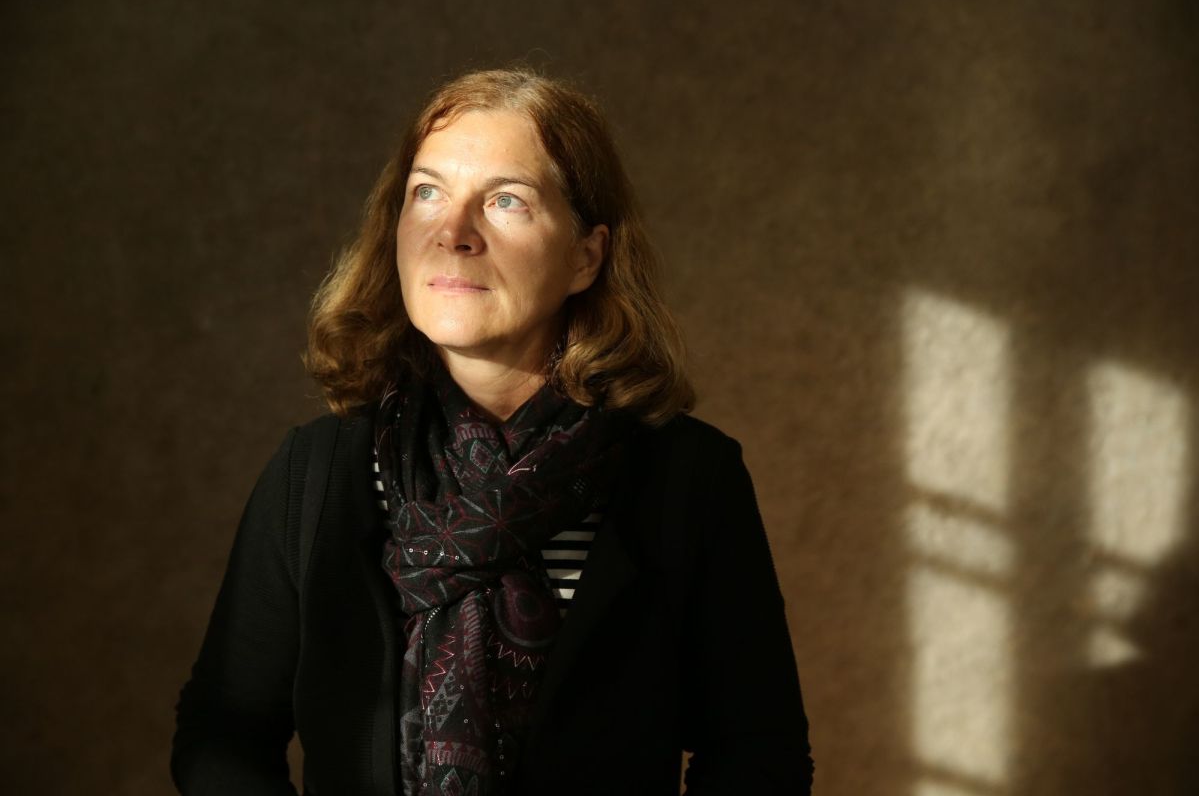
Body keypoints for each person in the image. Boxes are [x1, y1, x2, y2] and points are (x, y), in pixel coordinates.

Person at [172, 67, 812, 796]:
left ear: (585, 256)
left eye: (506, 200)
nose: (452, 234)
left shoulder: (690, 478)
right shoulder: (314, 473)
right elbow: (222, 731)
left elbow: (759, 754)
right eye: (427, 193)